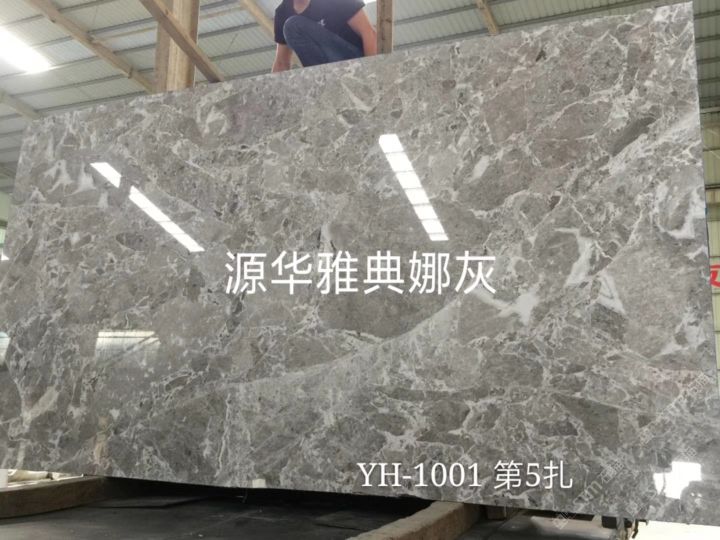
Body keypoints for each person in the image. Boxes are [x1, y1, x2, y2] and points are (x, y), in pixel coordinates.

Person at [272, 0, 377, 72]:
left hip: (354, 61)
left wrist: (371, 72)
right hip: (326, 69)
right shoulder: (283, 13)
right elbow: (281, 62)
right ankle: (322, 80)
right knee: (291, 25)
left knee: (294, 26)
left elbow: (369, 33)